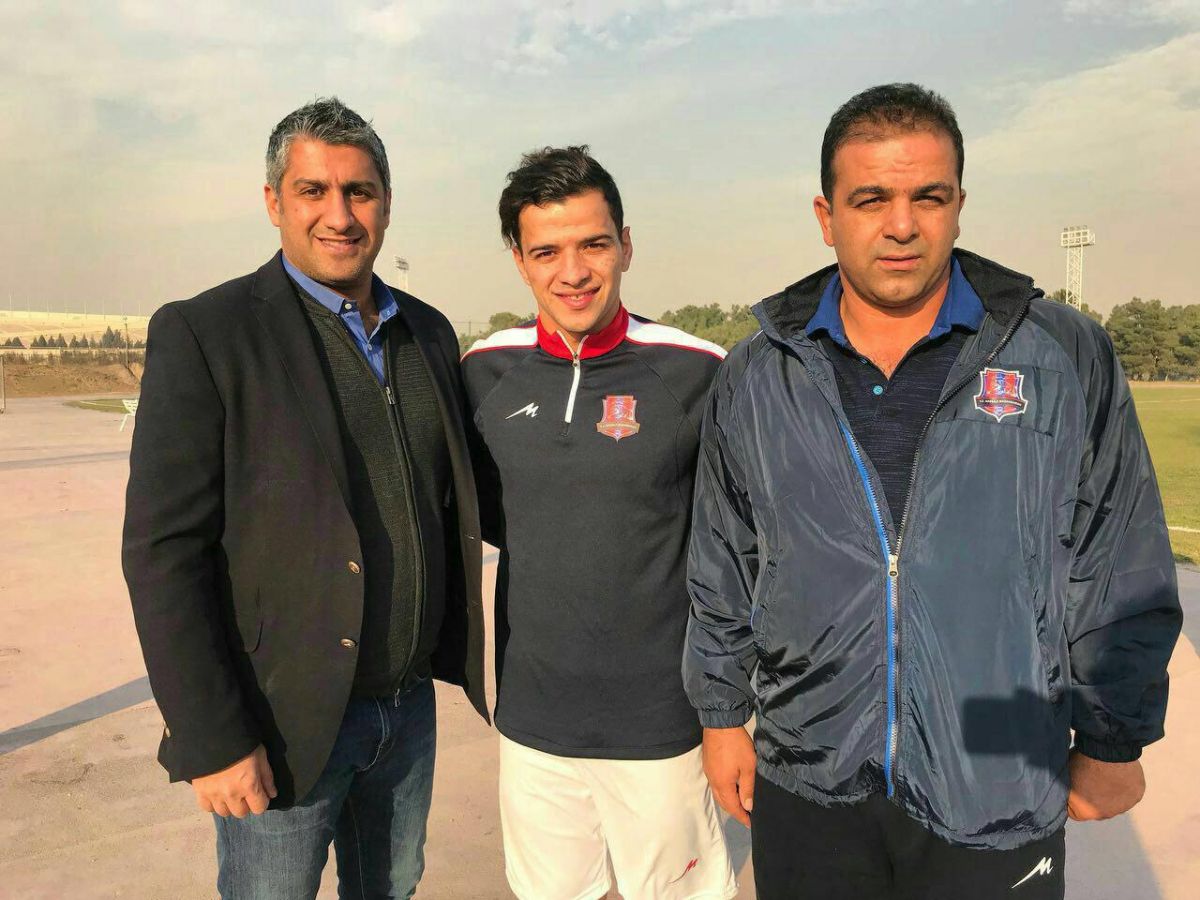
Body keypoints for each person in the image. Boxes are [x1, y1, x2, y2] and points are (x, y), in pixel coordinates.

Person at [684, 83, 1182, 900]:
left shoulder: (1060, 353)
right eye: (871, 199)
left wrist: (1113, 737)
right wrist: (718, 715)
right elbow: (722, 561)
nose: (902, 225)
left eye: (928, 197)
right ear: (826, 215)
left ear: (959, 206)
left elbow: (1118, 556)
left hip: (995, 775)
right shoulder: (759, 372)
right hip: (810, 771)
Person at [122, 96, 488, 899]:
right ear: (273, 202)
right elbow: (162, 553)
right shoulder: (208, 333)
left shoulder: (427, 332)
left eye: (359, 191)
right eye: (313, 191)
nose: (340, 215)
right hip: (280, 722)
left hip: (406, 710)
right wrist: (213, 737)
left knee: (392, 887)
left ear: (385, 202)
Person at [461, 146, 738, 900]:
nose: (574, 272)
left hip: (663, 726)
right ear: (519, 261)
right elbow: (496, 516)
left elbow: (739, 548)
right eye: (547, 251)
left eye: (594, 244)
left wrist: (730, 709)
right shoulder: (483, 372)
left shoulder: (698, 370)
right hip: (533, 725)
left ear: (625, 245)